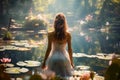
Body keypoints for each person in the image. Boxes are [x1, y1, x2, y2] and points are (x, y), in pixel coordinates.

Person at [42, 13, 74, 77]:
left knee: (52, 77)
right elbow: (70, 49)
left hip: (53, 58)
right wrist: (71, 62)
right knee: (65, 77)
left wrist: (44, 62)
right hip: (64, 58)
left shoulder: (50, 35)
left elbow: (49, 49)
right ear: (64, 23)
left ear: (55, 23)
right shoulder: (68, 35)